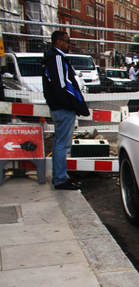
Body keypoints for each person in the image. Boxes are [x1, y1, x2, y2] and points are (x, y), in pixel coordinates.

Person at [42, 30, 89, 190]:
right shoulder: (56, 58)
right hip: (63, 109)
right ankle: (60, 179)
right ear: (59, 42)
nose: (70, 44)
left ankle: (59, 176)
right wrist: (70, 105)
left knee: (58, 144)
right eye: (68, 41)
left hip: (59, 108)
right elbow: (62, 85)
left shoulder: (53, 57)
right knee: (63, 145)